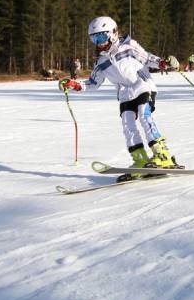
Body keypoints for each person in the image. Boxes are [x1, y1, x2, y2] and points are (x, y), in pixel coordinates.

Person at [59, 16, 182, 179]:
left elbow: (147, 58)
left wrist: (163, 63)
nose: (99, 42)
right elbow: (93, 83)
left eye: (101, 37)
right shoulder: (101, 62)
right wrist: (74, 85)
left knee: (145, 116)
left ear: (113, 33)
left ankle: (162, 155)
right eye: (94, 38)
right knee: (128, 125)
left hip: (143, 85)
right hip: (125, 94)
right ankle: (140, 160)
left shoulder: (128, 46)